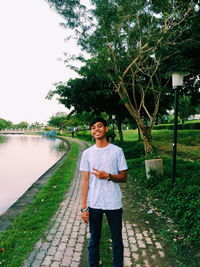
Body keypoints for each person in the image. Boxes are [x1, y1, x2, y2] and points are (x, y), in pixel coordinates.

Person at [79, 117, 128, 267]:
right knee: (94, 240)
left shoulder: (117, 151)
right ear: (91, 132)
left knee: (117, 240)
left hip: (113, 202)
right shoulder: (87, 153)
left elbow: (124, 177)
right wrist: (83, 207)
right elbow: (85, 181)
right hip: (94, 202)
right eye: (93, 127)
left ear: (106, 128)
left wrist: (108, 176)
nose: (96, 129)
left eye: (99, 126)